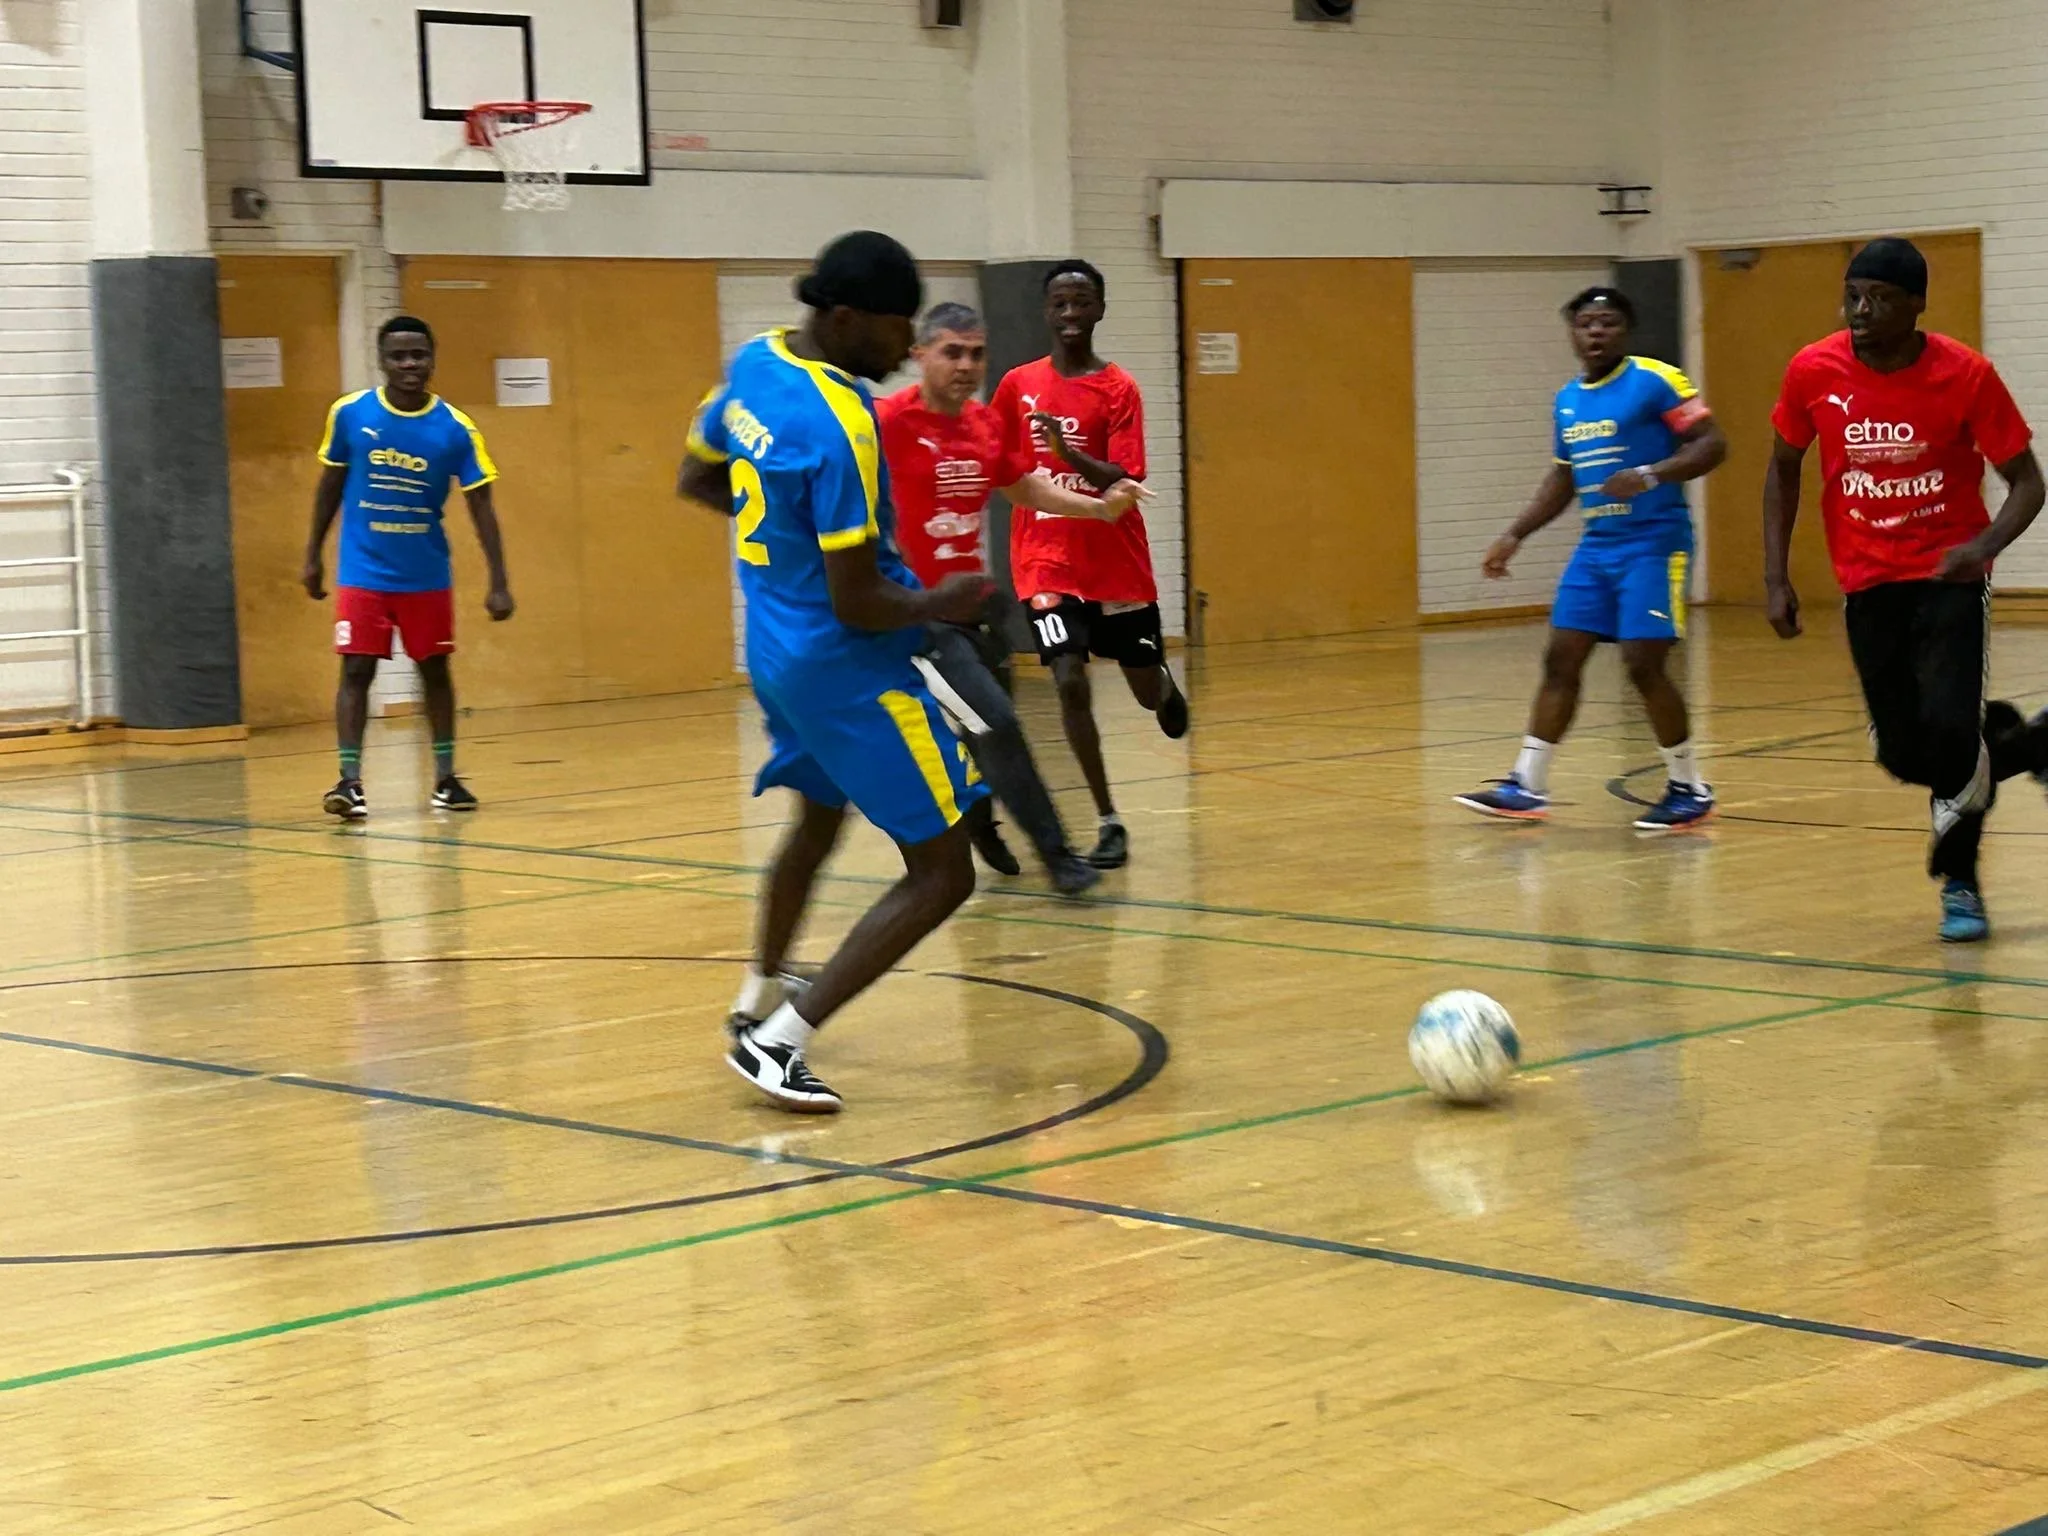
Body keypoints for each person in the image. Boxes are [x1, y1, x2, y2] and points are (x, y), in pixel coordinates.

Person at [677, 231, 995, 1114]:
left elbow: (697, 476)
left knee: (817, 820)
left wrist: (784, 546)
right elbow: (860, 603)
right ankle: (780, 1043)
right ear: (848, 319)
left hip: (775, 651)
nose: (908, 345)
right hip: (847, 668)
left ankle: (757, 994)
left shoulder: (755, 362)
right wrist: (944, 601)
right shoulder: (843, 423)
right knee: (944, 872)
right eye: (900, 327)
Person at [1764, 237, 2048, 943]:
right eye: (1852, 296)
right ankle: (2031, 744)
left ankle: (1961, 883)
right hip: (1867, 580)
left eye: (1880, 298)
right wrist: (1776, 575)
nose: (1860, 311)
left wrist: (1982, 547)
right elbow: (1783, 467)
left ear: (1916, 304)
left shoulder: (1966, 375)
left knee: (1952, 733)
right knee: (1901, 752)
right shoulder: (1813, 369)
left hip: (1949, 577)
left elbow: (2027, 482)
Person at [878, 302, 1149, 897]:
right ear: (920, 355)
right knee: (996, 723)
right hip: (920, 620)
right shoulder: (886, 422)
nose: (966, 365)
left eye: (976, 354)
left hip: (979, 610)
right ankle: (1060, 858)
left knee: (978, 727)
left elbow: (1024, 486)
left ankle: (978, 817)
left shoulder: (984, 425)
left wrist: (1099, 508)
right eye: (952, 352)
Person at [1454, 287, 1728, 831]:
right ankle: (1526, 784)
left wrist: (1650, 475)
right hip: (1598, 546)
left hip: (1654, 542)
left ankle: (1688, 786)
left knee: (1642, 664)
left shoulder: (1657, 379)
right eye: (1585, 324)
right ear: (1573, 334)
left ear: (1625, 330)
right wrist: (1515, 534)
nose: (1596, 332)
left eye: (1607, 322)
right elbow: (1563, 478)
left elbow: (1712, 444)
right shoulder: (1568, 400)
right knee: (1561, 659)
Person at [990, 259, 1188, 871]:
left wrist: (1065, 450)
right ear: (1046, 312)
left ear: (1100, 308)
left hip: (1115, 560)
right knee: (1069, 679)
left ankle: (1161, 682)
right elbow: (997, 462)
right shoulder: (1017, 385)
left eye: (1082, 302)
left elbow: (1124, 479)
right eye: (1060, 304)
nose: (1071, 314)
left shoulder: (1119, 388)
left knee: (1144, 690)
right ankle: (1107, 820)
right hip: (1045, 560)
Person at [305, 316, 514, 819]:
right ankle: (349, 781)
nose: (409, 365)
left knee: (434, 670)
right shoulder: (350, 414)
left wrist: (499, 581)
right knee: (356, 668)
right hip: (363, 571)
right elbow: (329, 486)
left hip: (425, 574)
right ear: (382, 361)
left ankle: (445, 778)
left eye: (418, 355)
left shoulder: (456, 428)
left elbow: (482, 506)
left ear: (433, 359)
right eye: (398, 356)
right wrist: (312, 553)